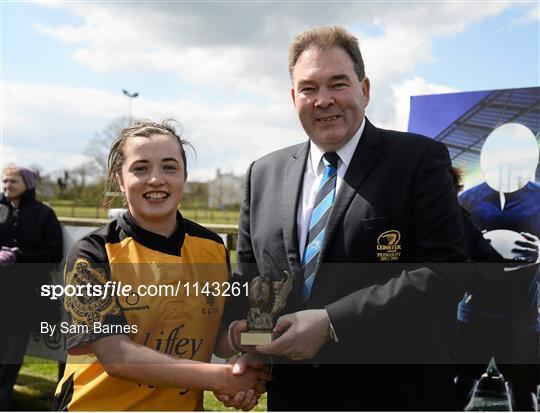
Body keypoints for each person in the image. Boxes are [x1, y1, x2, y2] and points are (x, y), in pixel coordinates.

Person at [217, 26, 504, 411]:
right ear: (293, 97)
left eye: (338, 84)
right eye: (308, 88)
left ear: (364, 90)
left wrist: (332, 322)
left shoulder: (418, 161)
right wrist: (251, 350)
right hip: (295, 398)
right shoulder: (262, 173)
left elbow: (447, 272)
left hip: (396, 395)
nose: (324, 100)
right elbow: (253, 282)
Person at [52, 120, 270, 411]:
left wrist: (253, 342)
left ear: (184, 176)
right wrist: (221, 378)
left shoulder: (212, 247)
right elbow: (116, 355)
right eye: (140, 168)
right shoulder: (93, 253)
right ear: (120, 179)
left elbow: (217, 336)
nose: (156, 179)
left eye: (169, 167)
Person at [455, 170, 540, 410]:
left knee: (524, 390)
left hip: (522, 316)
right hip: (475, 312)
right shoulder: (468, 198)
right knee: (460, 384)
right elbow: (449, 248)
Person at [0, 165, 63, 411]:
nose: (7, 187)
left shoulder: (44, 214)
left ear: (28, 184)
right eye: (4, 182)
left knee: (11, 355)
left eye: (12, 182)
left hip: (26, 297)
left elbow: (54, 253)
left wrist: (20, 255)